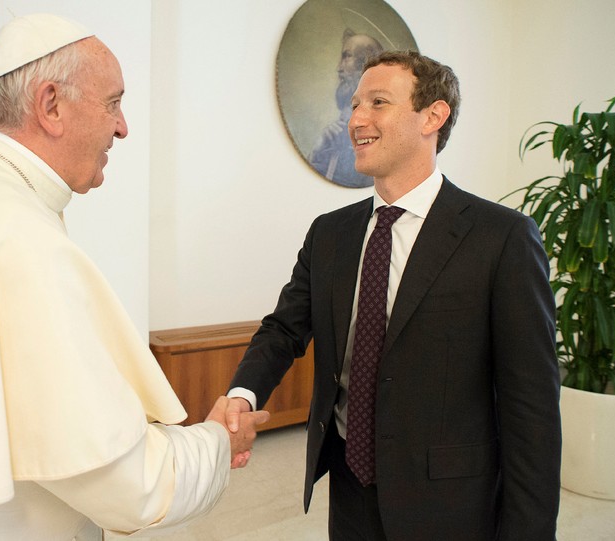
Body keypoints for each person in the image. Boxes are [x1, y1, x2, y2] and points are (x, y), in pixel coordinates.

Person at [0, 13, 268, 540]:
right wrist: (218, 440)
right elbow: (131, 484)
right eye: (113, 103)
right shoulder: (17, 236)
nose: (123, 126)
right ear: (51, 105)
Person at [227, 51, 561, 540]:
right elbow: (284, 328)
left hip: (449, 503)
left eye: (377, 102)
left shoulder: (503, 238)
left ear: (433, 116)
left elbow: (530, 407)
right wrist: (242, 393)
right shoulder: (329, 234)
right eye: (355, 104)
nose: (356, 118)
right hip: (348, 484)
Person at [307, 29, 383, 188]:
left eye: (347, 57)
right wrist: (319, 151)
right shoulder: (336, 130)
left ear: (365, 65)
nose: (339, 68)